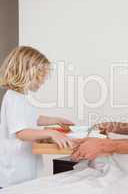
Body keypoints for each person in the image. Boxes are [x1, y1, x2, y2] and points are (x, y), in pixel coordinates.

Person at [0, 46, 74, 187]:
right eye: (41, 77)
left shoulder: (20, 97)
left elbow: (31, 119)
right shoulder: (14, 98)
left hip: (24, 164)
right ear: (27, 73)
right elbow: (22, 133)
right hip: (14, 171)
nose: (43, 81)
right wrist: (51, 133)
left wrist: (55, 120)